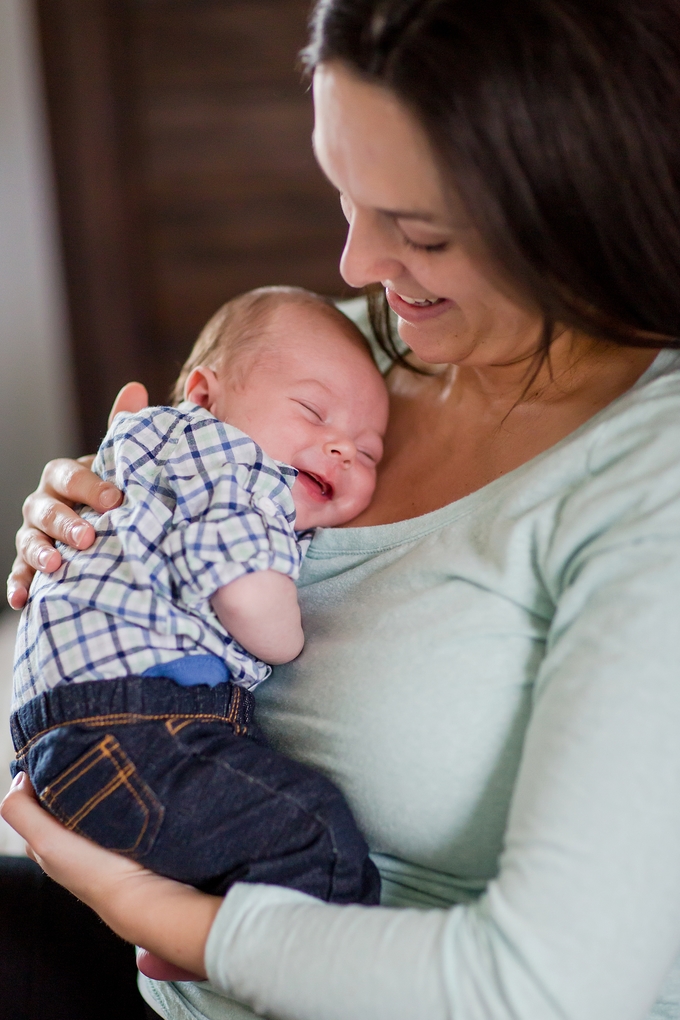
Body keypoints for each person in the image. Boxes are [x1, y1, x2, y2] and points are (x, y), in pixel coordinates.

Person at [4, 0, 680, 1018]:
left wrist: (158, 915)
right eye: (342, 195)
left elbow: (547, 987)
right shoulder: (345, 352)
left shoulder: (648, 475)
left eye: (417, 231)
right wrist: (81, 529)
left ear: (576, 202)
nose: (355, 266)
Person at [11, 284, 386, 980]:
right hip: (134, 722)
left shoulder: (157, 449)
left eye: (369, 452)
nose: (342, 448)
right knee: (314, 833)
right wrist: (289, 637)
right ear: (205, 395)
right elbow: (249, 598)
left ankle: (191, 931)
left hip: (70, 736)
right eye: (312, 412)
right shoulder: (230, 459)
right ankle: (286, 970)